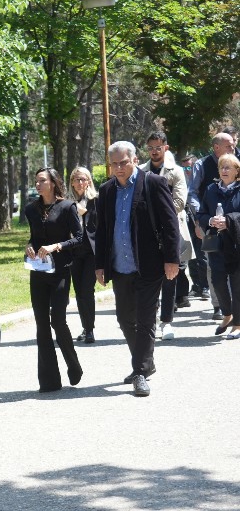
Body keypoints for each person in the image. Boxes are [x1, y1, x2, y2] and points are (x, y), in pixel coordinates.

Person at [95, 141, 180, 397]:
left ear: (134, 160)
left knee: (145, 320)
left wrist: (172, 259)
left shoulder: (153, 183)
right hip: (120, 266)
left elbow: (170, 223)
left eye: (123, 162)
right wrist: (100, 264)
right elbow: (102, 230)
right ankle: (145, 362)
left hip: (149, 265)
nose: (119, 168)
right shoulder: (106, 190)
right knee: (124, 319)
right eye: (114, 164)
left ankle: (140, 372)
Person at [24, 168, 84, 393]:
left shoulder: (67, 207)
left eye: (42, 181)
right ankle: (49, 380)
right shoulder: (31, 209)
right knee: (41, 324)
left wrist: (56, 246)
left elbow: (79, 238)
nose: (38, 184)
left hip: (60, 271)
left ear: (53, 183)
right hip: (38, 271)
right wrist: (29, 246)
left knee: (57, 320)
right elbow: (34, 237)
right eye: (36, 181)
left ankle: (73, 364)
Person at [138, 132, 192, 340]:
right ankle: (149, 320)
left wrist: (155, 210)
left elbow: (179, 202)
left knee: (171, 276)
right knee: (148, 277)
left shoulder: (176, 172)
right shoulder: (140, 171)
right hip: (147, 231)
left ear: (165, 148)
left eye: (158, 147)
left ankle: (167, 322)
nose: (154, 151)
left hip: (170, 229)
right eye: (151, 147)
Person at [189, 132, 235, 321]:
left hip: (236, 227)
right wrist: (202, 221)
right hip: (210, 224)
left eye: (233, 143)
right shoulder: (202, 165)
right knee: (213, 266)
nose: (233, 147)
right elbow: (192, 193)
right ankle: (219, 305)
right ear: (217, 147)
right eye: (229, 145)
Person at [197, 154, 240, 338]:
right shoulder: (211, 189)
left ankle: (237, 324)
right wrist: (210, 220)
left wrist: (229, 221)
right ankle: (227, 314)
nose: (224, 170)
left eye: (228, 167)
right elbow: (201, 214)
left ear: (237, 171)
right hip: (217, 243)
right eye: (222, 167)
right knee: (217, 281)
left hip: (236, 244)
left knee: (237, 285)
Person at [68, 166, 98, 344]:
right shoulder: (66, 203)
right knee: (79, 291)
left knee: (87, 290)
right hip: (73, 252)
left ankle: (90, 330)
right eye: (77, 179)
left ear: (88, 181)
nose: (80, 183)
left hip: (91, 252)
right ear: (72, 182)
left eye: (83, 179)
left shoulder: (95, 201)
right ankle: (85, 327)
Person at [182, 154, 211, 301]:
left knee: (202, 254)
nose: (187, 171)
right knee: (191, 255)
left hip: (199, 220)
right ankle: (196, 285)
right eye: (184, 168)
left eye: (189, 167)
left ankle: (205, 286)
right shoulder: (182, 180)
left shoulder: (199, 181)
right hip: (187, 220)